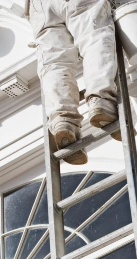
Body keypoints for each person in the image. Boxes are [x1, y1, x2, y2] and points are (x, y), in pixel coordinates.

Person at [28, 0, 120, 165]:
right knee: (94, 36)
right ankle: (101, 99)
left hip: (39, 6)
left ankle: (63, 120)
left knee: (54, 62)